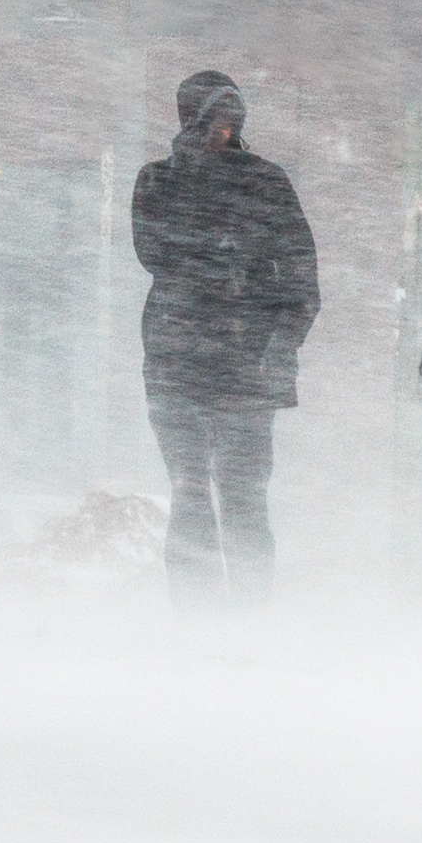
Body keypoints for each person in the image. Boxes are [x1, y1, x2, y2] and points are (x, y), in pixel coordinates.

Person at [132, 71, 320, 612]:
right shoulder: (158, 181)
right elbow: (155, 254)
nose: (226, 129)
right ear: (190, 119)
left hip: (245, 368)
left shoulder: (266, 181)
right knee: (190, 495)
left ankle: (250, 621)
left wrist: (280, 344)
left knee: (244, 500)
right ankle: (199, 623)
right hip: (176, 365)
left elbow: (303, 278)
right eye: (215, 118)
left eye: (234, 119)